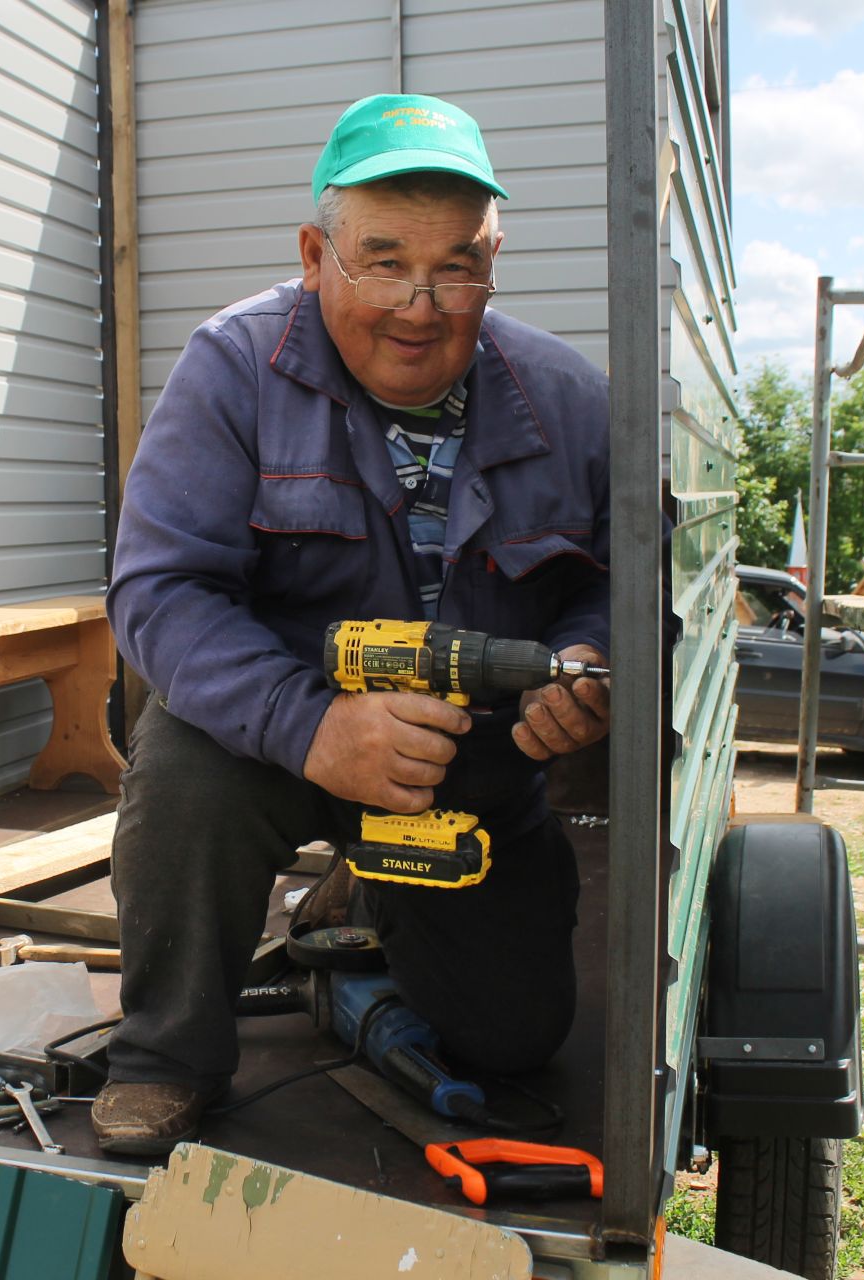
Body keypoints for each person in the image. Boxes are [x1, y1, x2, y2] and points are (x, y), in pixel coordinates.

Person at [92, 93, 612, 1156]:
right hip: (267, 735)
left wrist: (592, 658)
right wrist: (317, 725)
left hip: (467, 757)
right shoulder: (233, 368)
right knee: (183, 766)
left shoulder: (568, 399)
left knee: (512, 1042)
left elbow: (615, 584)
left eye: (457, 266)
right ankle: (166, 1052)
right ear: (316, 252)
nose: (420, 305)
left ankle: (366, 905)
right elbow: (160, 590)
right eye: (382, 261)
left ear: (494, 263)